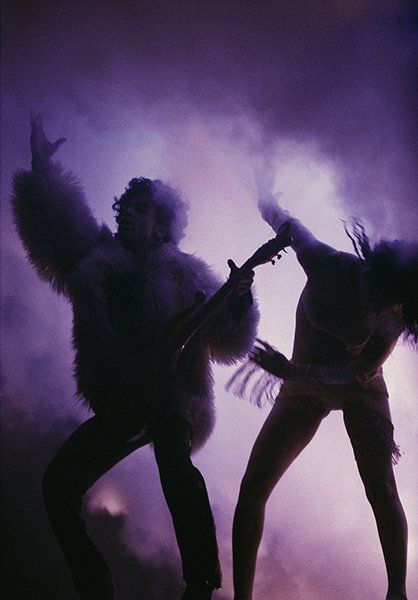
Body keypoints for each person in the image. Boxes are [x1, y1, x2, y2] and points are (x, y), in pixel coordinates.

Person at [12, 116, 259, 600]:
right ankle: (95, 588)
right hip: (124, 398)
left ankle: (202, 582)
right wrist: (42, 167)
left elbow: (231, 340)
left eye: (141, 209)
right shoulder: (96, 259)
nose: (128, 214)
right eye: (126, 206)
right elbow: (54, 229)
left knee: (173, 454)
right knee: (57, 487)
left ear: (162, 223)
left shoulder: (183, 274)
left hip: (174, 398)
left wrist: (240, 300)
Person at [231, 196, 417, 600]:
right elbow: (291, 226)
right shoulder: (325, 262)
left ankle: (397, 593)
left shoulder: (393, 313)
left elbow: (358, 373)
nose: (382, 307)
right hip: (302, 388)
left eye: (392, 305)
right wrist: (266, 199)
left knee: (381, 487)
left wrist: (289, 371)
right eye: (381, 296)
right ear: (373, 272)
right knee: (254, 485)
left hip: (359, 389)